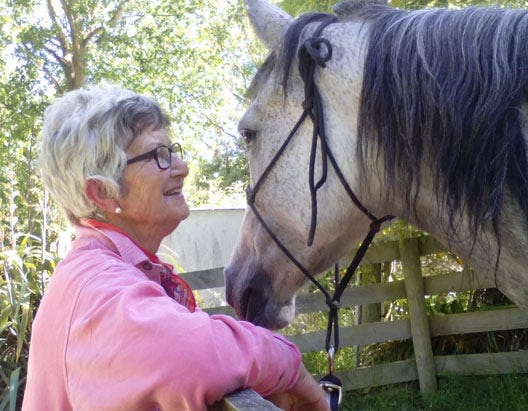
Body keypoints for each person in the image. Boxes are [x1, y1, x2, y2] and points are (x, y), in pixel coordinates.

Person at [23, 86, 328, 411]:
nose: (182, 167)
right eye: (159, 155)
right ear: (103, 192)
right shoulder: (95, 287)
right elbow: (190, 357)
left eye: (173, 150)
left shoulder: (97, 271)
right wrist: (287, 363)